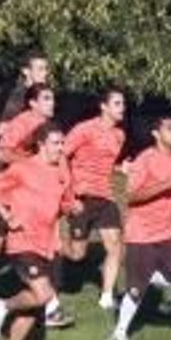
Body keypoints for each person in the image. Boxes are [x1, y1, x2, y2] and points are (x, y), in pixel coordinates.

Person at [0, 124, 77, 340]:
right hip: (23, 242)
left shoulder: (60, 173)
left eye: (62, 143)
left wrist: (71, 208)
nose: (61, 148)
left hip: (48, 245)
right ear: (41, 144)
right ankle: (0, 306)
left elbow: (62, 206)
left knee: (35, 305)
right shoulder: (22, 168)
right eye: (56, 143)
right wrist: (7, 216)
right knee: (42, 294)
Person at [109, 117, 171, 340]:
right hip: (141, 234)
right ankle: (119, 333)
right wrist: (167, 184)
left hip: (166, 232)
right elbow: (132, 195)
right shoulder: (144, 159)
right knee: (136, 290)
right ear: (156, 134)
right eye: (169, 128)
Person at [62, 89, 127, 310]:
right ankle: (51, 244)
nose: (122, 108)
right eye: (117, 103)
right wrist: (69, 193)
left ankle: (107, 296)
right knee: (77, 254)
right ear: (103, 106)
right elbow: (61, 155)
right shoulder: (84, 129)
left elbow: (103, 163)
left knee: (115, 246)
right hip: (81, 197)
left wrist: (120, 168)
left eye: (122, 103)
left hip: (105, 197)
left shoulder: (119, 135)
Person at [0, 84, 55, 262]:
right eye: (46, 99)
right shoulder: (23, 123)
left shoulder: (47, 126)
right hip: (7, 193)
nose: (52, 103)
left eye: (52, 98)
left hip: (28, 196)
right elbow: (0, 154)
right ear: (32, 103)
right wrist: (30, 164)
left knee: (35, 247)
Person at [0, 51, 51, 121]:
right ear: (26, 71)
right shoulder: (18, 98)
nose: (45, 73)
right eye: (40, 69)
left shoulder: (42, 93)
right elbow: (7, 124)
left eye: (46, 69)